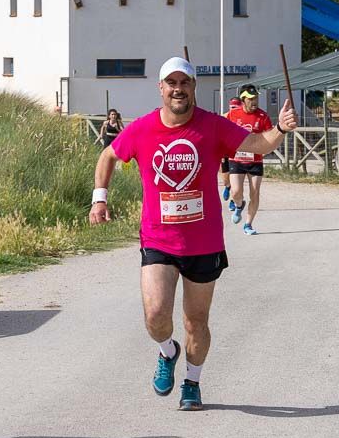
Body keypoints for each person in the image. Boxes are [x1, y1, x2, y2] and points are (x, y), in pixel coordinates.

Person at [89, 58, 297, 411]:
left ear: (193, 87)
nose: (177, 89)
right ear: (160, 88)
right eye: (171, 83)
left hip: (203, 244)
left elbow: (258, 146)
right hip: (158, 240)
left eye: (184, 83)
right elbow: (108, 155)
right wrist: (99, 199)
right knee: (156, 315)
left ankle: (192, 383)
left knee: (195, 321)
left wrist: (280, 126)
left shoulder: (213, 127)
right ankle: (167, 351)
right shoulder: (141, 129)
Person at [225, 85, 274, 235]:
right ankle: (239, 205)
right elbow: (223, 131)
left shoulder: (263, 116)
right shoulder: (233, 115)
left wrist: (266, 148)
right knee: (236, 191)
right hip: (237, 159)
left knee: (255, 192)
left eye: (256, 98)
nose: (254, 102)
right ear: (243, 99)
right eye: (251, 99)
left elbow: (270, 136)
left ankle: (248, 224)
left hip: (255, 160)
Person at [220, 97, 242, 209]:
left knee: (236, 177)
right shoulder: (225, 117)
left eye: (236, 107)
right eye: (232, 107)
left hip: (237, 151)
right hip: (225, 149)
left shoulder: (243, 118)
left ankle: (233, 200)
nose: (234, 109)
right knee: (225, 177)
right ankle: (227, 186)